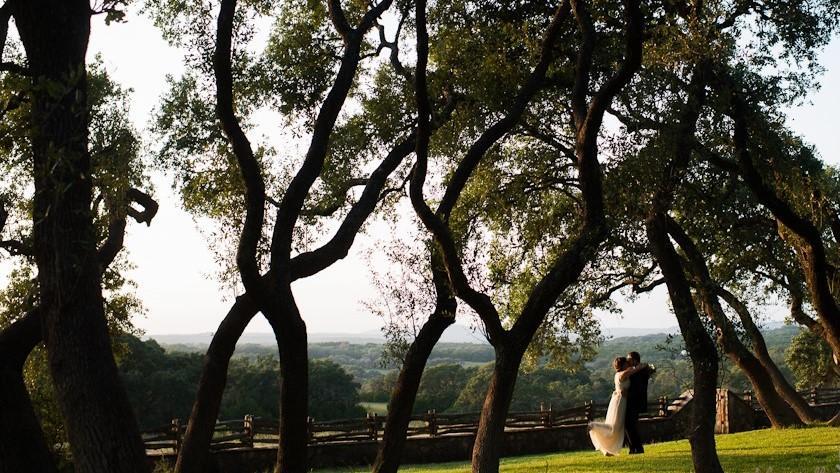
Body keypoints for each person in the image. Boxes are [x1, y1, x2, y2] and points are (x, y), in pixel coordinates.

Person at [588, 356, 649, 456]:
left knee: (617, 427)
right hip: (621, 402)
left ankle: (608, 449)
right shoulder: (622, 374)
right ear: (623, 365)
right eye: (626, 363)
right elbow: (633, 370)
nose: (628, 364)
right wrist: (642, 366)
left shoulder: (619, 374)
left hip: (620, 400)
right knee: (615, 427)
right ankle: (594, 426)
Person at [625, 351, 653, 454]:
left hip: (634, 401)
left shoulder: (640, 372)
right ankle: (634, 447)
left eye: (629, 359)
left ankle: (636, 448)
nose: (627, 361)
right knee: (630, 425)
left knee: (630, 425)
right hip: (634, 401)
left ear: (634, 360)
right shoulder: (639, 370)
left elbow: (637, 387)